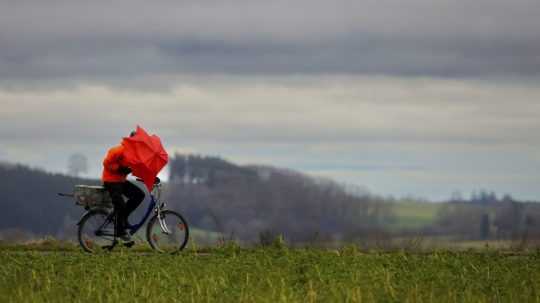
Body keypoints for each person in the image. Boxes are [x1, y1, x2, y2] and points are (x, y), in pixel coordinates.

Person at [101, 131, 145, 242]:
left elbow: (135, 168)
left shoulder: (133, 154)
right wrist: (120, 169)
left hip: (120, 181)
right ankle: (120, 231)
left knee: (139, 195)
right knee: (120, 205)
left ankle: (123, 218)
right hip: (111, 181)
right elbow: (106, 163)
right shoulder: (119, 150)